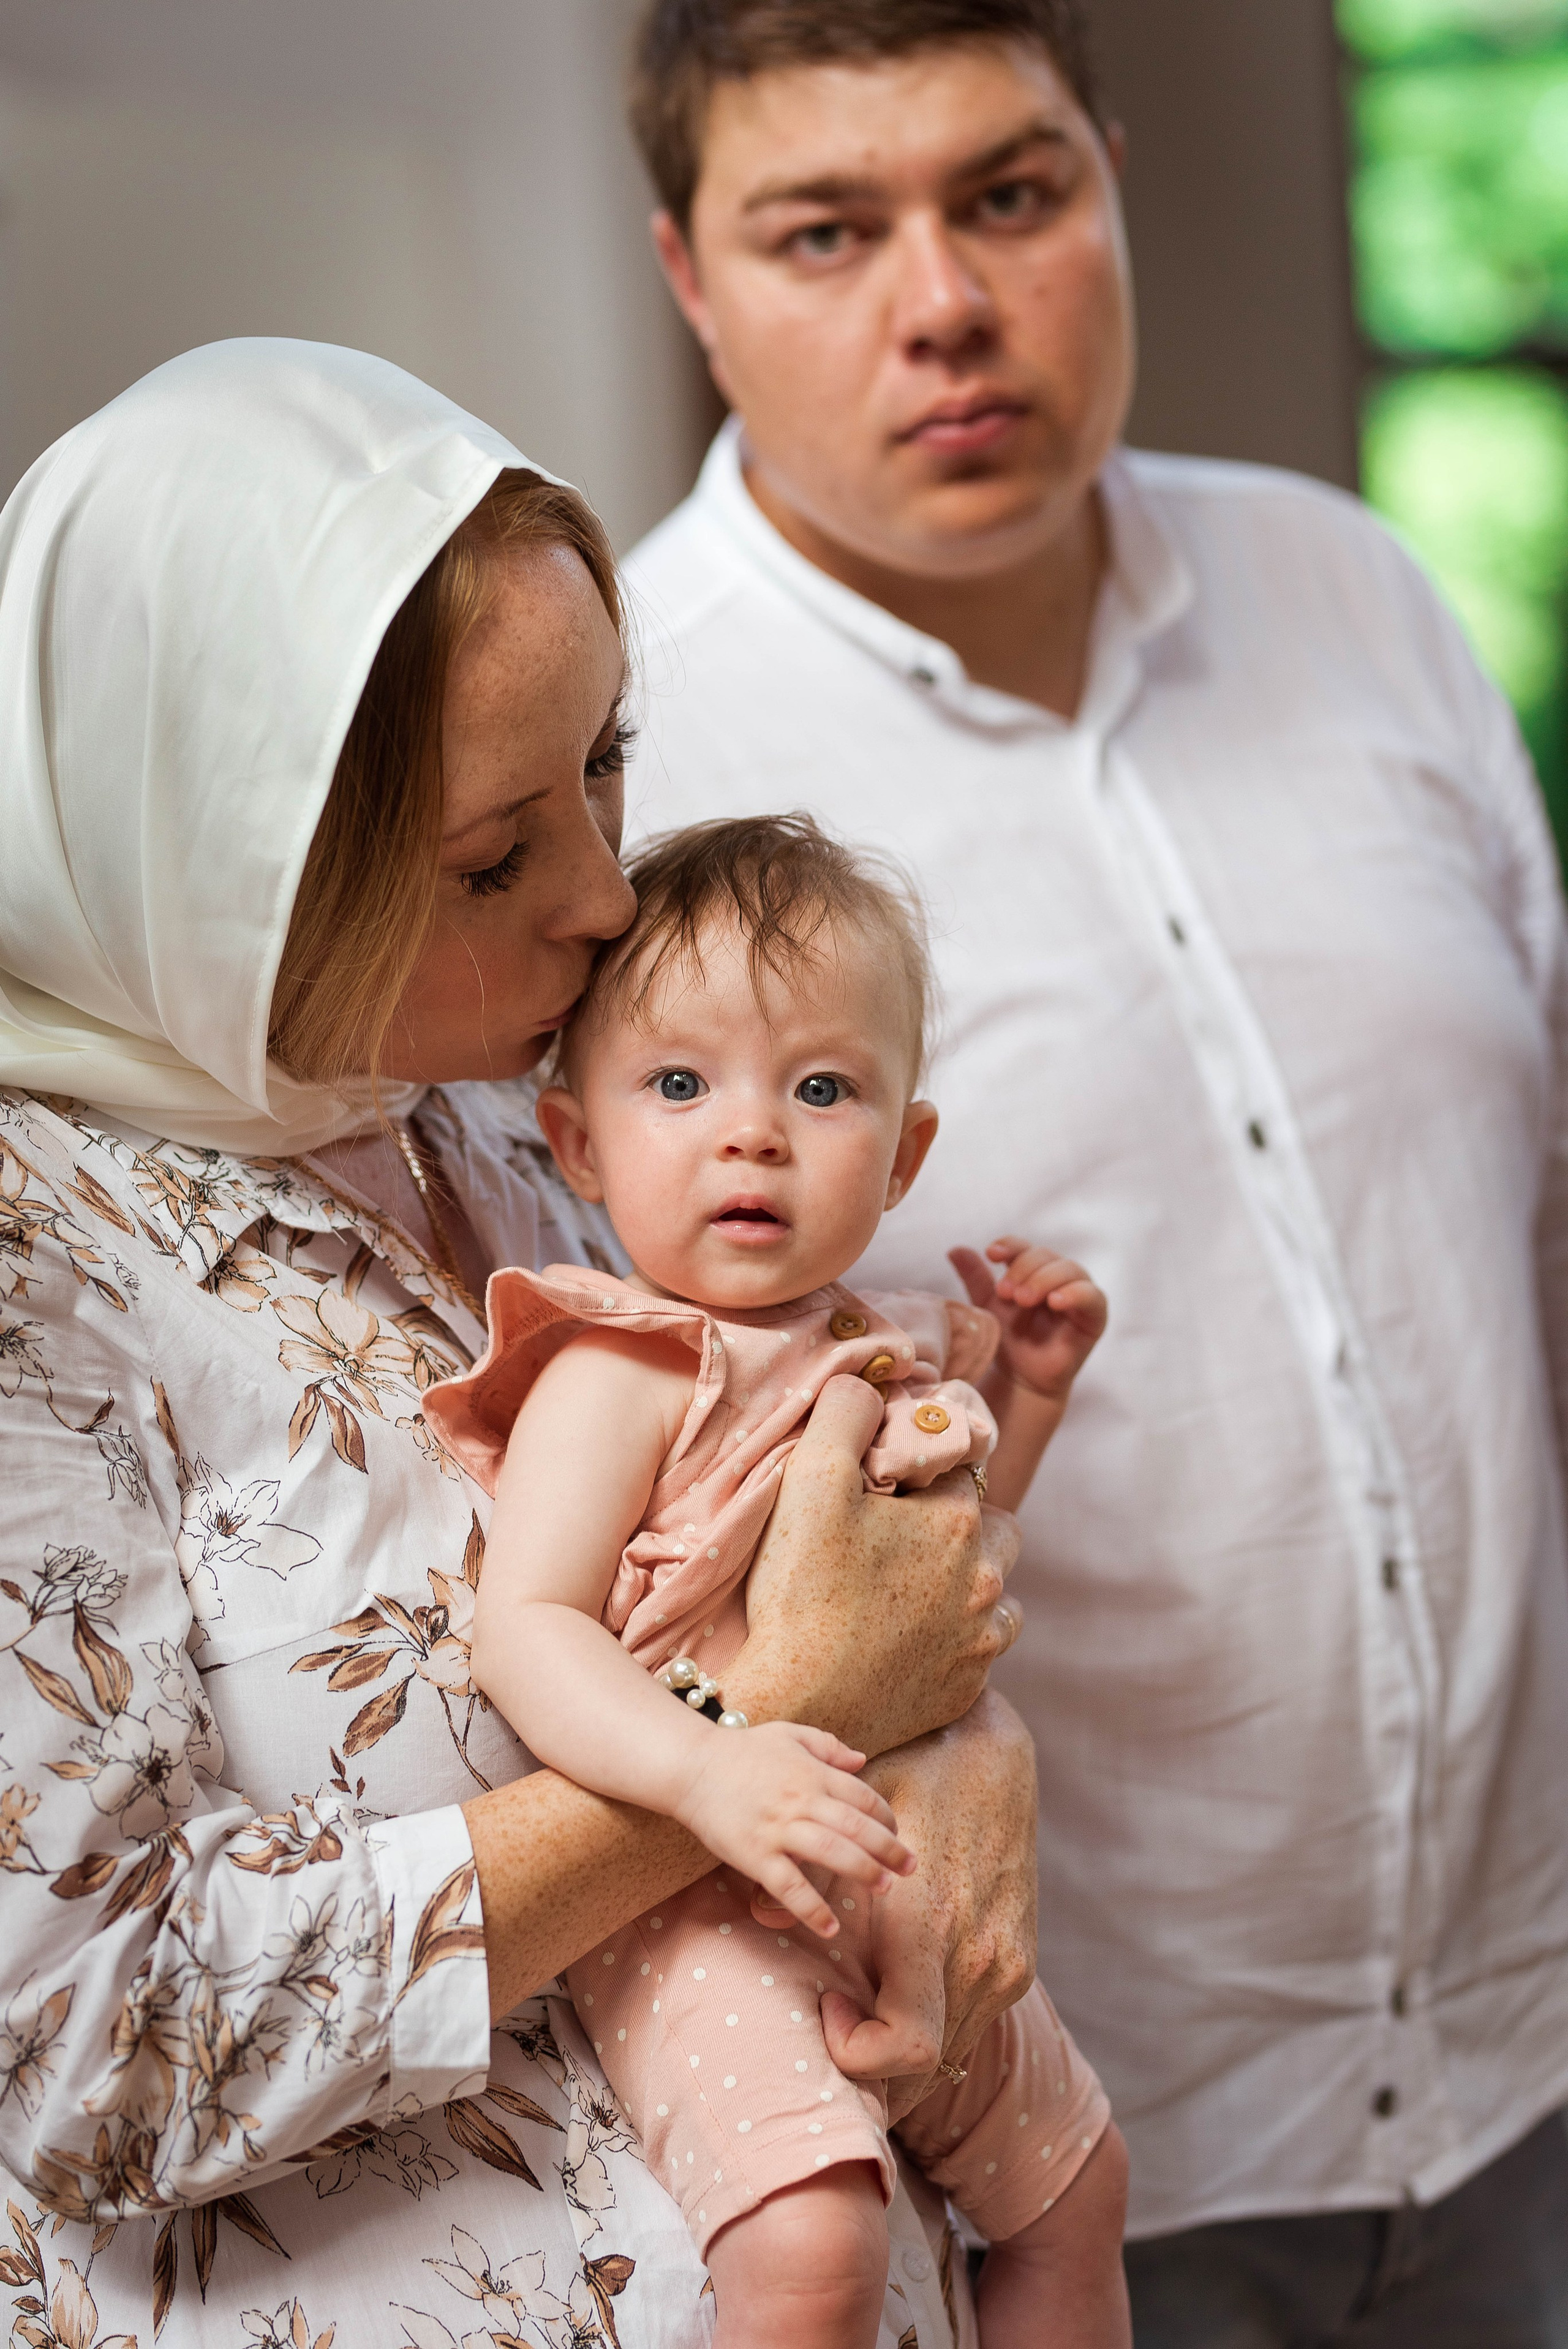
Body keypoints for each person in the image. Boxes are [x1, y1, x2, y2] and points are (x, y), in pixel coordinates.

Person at [617, 1, 1568, 2340]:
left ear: (1110, 182)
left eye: (1012, 194)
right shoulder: (622, 766)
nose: (943, 298)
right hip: (1048, 2153)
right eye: (825, 230)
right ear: (689, 278)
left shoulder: (1359, 594)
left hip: (1528, 2051)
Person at [0, 336, 1044, 2349]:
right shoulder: (38, 1264)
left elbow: (819, 1537)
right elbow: (88, 2049)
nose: (601, 895)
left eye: (608, 762)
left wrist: (955, 1761)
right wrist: (764, 1741)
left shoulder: (511, 1107)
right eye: (493, 854)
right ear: (218, 860)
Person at [423, 812, 1122, 2349]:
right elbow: (525, 1628)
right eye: (680, 1085)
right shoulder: (619, 1366)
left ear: (904, 1149)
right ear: (577, 1141)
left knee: (1078, 2197)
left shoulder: (868, 1347)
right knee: (813, 2239)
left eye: (819, 1089)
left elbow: (943, 1570)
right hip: (693, 1890)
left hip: (903, 1875)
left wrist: (1030, 1399)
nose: (751, 1134)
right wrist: (705, 1771)